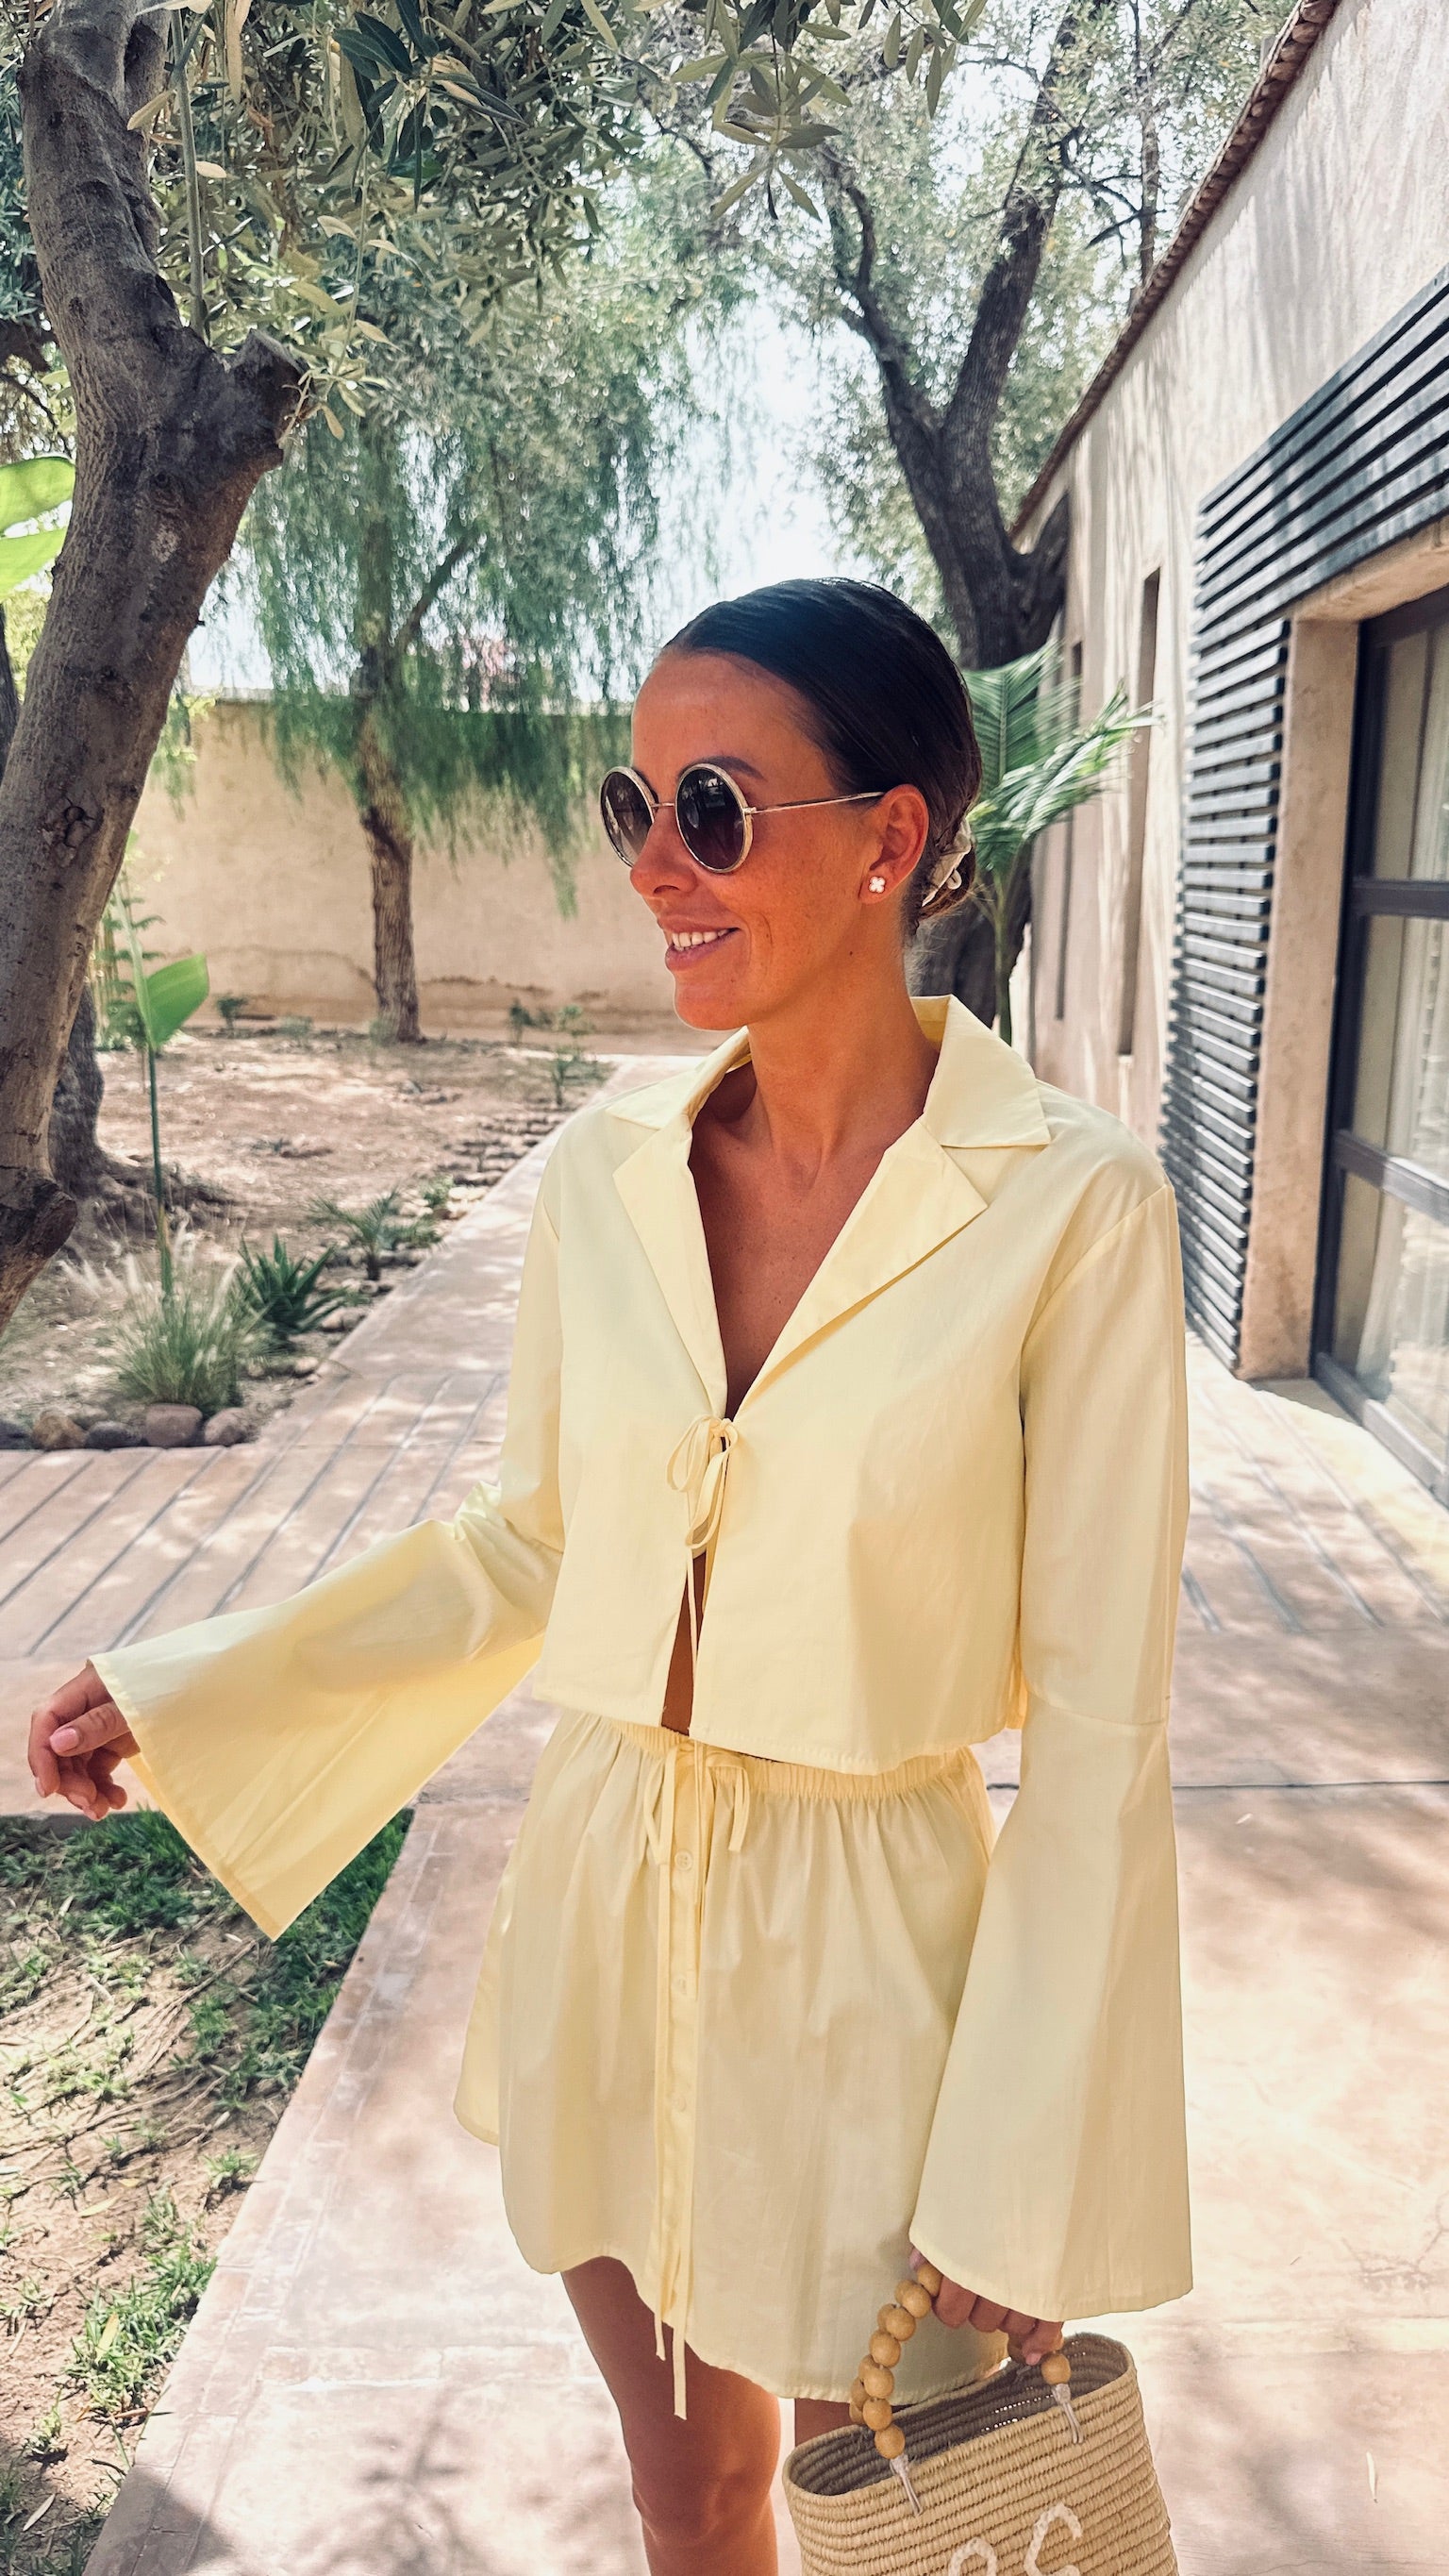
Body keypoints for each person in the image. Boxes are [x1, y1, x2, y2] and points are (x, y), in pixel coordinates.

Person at [28, 578, 1191, 2576]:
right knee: (690, 2495)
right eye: (630, 805)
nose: (655, 866)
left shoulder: (1073, 1209)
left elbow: (1101, 1731)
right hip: (607, 1901)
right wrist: (201, 1693)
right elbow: (536, 1541)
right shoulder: (605, 1179)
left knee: (908, 2524)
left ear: (889, 840)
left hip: (872, 1972)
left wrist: (1026, 2161)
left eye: (713, 811)